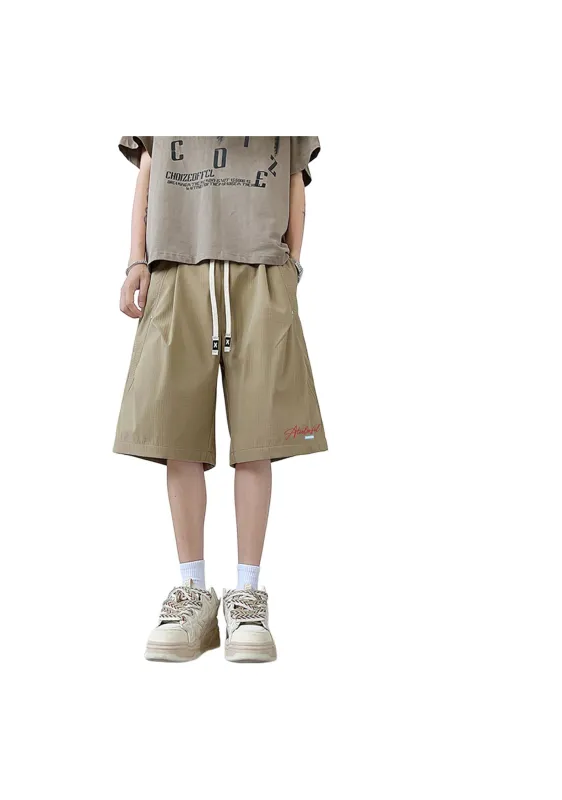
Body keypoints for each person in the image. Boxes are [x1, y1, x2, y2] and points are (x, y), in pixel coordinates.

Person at [114, 136, 327, 662]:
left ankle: (247, 595)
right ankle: (193, 591)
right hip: (175, 264)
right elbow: (149, 167)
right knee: (176, 432)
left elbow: (294, 174)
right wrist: (136, 260)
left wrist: (293, 267)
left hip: (260, 265)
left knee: (259, 434)